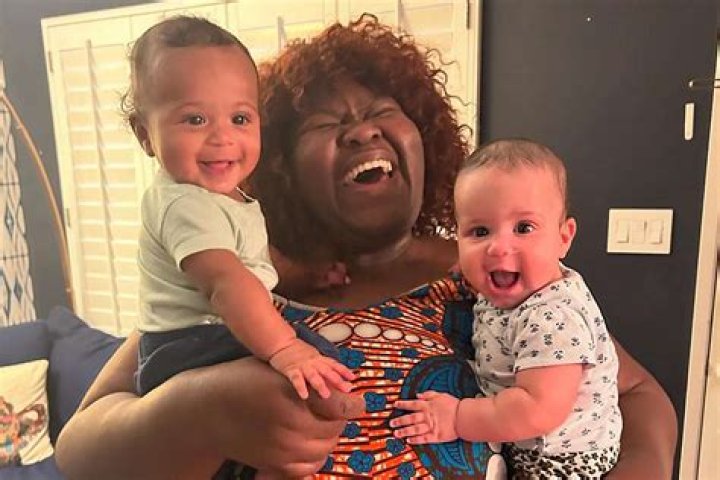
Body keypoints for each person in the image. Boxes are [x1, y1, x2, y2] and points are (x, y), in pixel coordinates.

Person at [55, 15, 678, 480]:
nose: (362, 131)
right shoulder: (241, 284)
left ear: (423, 137)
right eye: (327, 124)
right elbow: (79, 450)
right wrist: (201, 411)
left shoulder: (491, 274)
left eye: (383, 110)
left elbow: (637, 394)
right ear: (279, 163)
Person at [126, 16, 353, 404]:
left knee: (310, 361)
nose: (223, 137)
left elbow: (249, 262)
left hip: (207, 336)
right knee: (304, 367)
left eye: (240, 118)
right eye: (195, 119)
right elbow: (226, 282)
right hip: (187, 347)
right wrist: (286, 349)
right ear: (145, 135)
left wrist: (302, 275)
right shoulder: (184, 204)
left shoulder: (222, 198)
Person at [392, 139, 621, 478]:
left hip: (561, 460)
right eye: (479, 231)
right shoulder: (507, 289)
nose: (498, 247)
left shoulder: (552, 318)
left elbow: (537, 410)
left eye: (523, 228)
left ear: (563, 238)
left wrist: (457, 418)